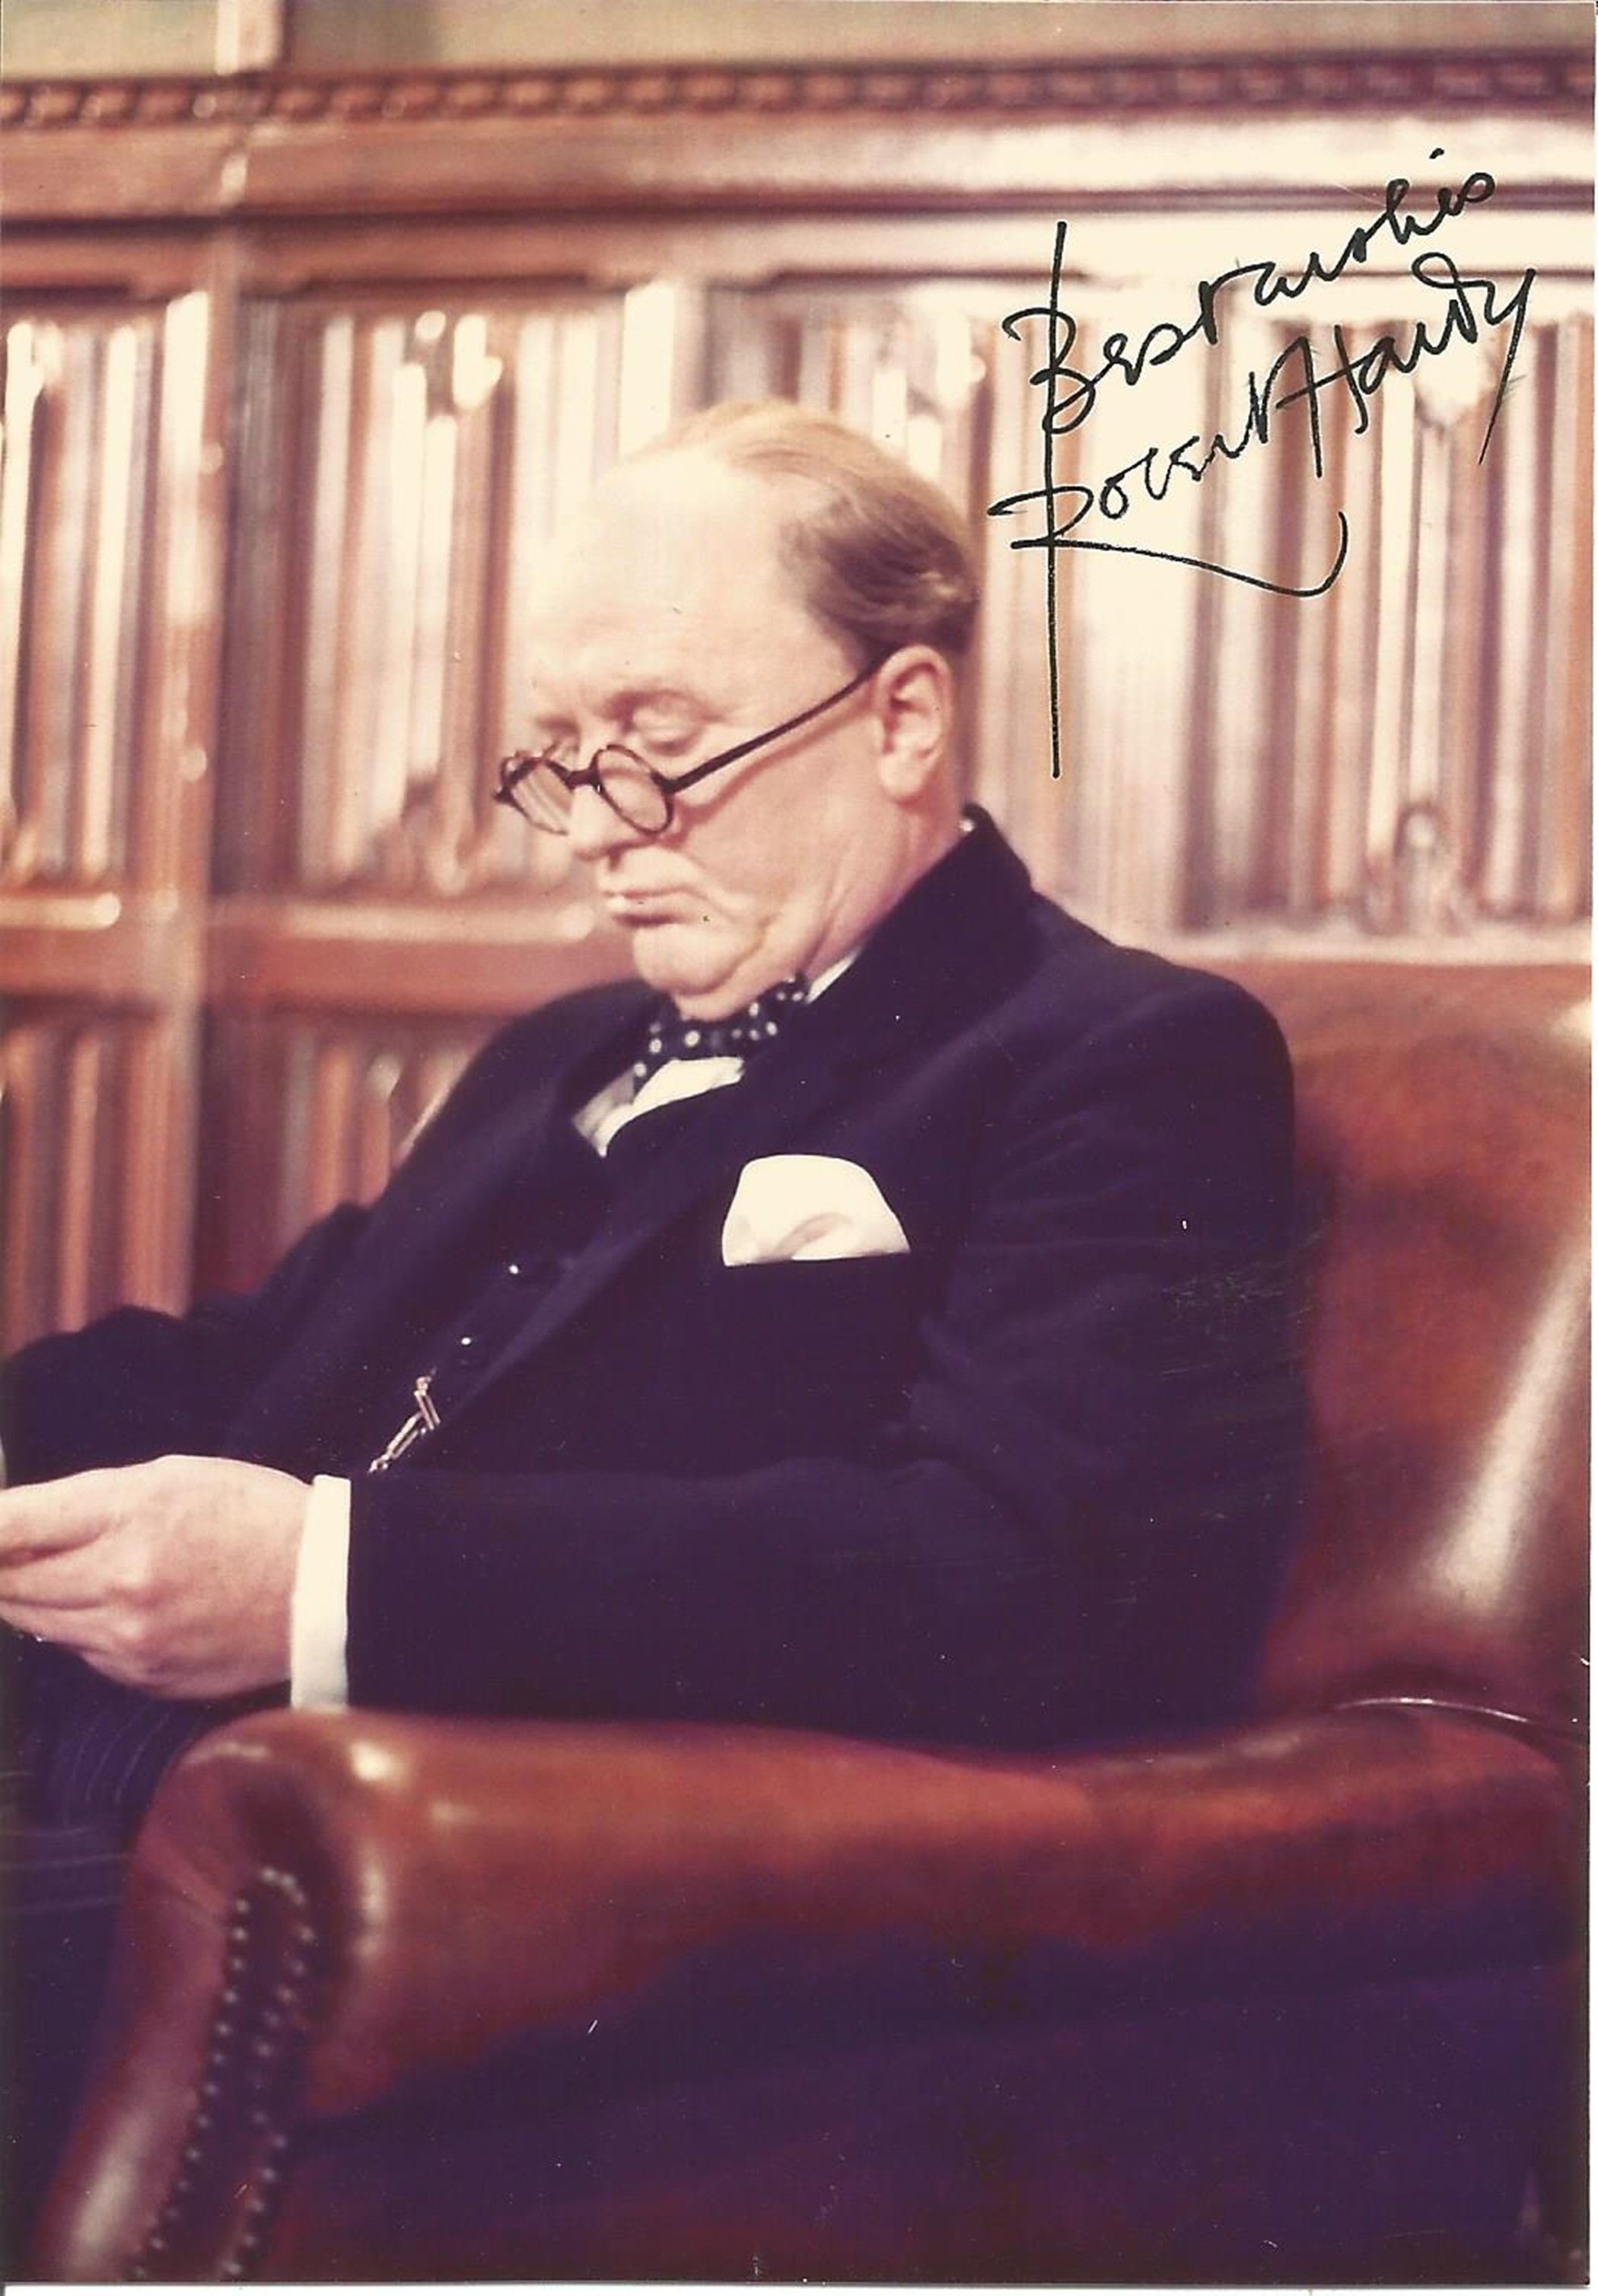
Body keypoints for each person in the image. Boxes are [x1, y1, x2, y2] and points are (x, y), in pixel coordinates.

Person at [0, 400, 1302, 2227]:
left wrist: (318, 1583)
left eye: (662, 752)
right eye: (559, 762)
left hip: (442, 1864)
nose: (599, 835)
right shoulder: (567, 1050)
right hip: (115, 1753)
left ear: (903, 720)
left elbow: (1019, 1581)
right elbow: (267, 1361)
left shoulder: (1121, 1064)